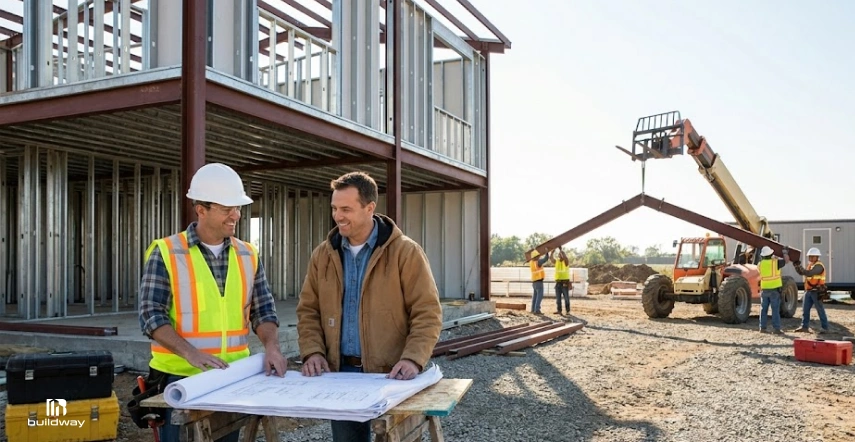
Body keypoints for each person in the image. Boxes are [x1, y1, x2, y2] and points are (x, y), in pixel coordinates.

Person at [138, 163, 288, 442]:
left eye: (238, 208)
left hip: (229, 378)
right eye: (226, 208)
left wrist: (272, 347)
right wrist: (190, 353)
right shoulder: (167, 252)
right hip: (178, 379)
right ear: (201, 210)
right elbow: (151, 315)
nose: (236, 215)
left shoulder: (248, 254)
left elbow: (263, 309)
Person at [296, 171, 443, 442]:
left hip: (393, 376)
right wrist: (313, 352)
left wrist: (413, 359)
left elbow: (427, 312)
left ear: (369, 208)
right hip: (340, 375)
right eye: (335, 208)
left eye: (346, 209)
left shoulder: (405, 252)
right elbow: (308, 311)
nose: (338, 216)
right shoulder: (322, 255)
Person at [793, 247, 829, 334]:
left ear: (817, 257)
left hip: (817, 291)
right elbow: (802, 272)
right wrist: (796, 265)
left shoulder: (819, 266)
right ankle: (804, 327)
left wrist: (799, 266)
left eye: (813, 256)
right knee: (805, 310)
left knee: (820, 309)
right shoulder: (810, 265)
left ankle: (825, 327)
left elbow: (809, 273)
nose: (811, 258)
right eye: (810, 256)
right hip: (809, 291)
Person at [757, 246, 788, 334]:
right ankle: (776, 329)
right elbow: (786, 260)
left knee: (763, 309)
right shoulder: (776, 263)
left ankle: (762, 328)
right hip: (774, 290)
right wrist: (785, 252)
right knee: (775, 310)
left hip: (765, 290)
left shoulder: (760, 264)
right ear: (771, 254)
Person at [551, 247, 572, 315]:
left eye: (561, 254)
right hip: (558, 283)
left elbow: (565, 258)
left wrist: (561, 250)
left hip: (564, 283)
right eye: (559, 255)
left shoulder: (566, 262)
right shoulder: (557, 262)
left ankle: (567, 311)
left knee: (566, 298)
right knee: (558, 299)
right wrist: (552, 252)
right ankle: (559, 310)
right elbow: (551, 259)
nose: (560, 255)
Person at [529, 249, 549, 314]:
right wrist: (547, 252)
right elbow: (545, 259)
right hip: (539, 282)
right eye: (538, 256)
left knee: (535, 297)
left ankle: (533, 309)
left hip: (534, 282)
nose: (539, 257)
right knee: (539, 296)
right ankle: (537, 309)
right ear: (536, 256)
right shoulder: (538, 262)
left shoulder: (531, 262)